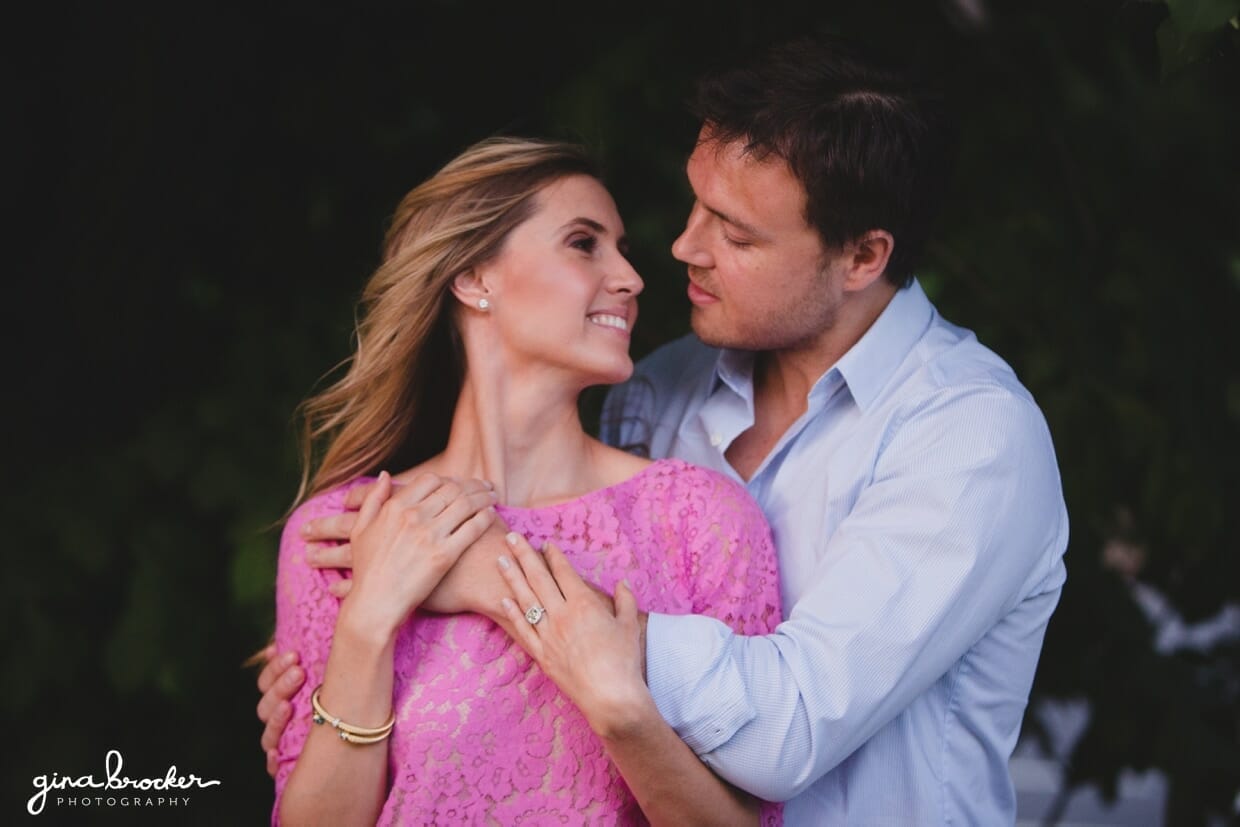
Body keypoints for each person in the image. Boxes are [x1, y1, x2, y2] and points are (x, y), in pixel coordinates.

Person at [260, 35, 1069, 824]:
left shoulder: (969, 438)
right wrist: (353, 665)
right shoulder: (662, 388)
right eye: (695, 205)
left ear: (862, 258)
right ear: (469, 278)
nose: (680, 248)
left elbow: (790, 727)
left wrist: (494, 580)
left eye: (737, 233)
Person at [270, 136, 782, 825]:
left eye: (622, 248)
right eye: (583, 243)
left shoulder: (700, 520)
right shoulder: (345, 533)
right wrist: (369, 620)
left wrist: (621, 708)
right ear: (474, 277)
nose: (630, 279)